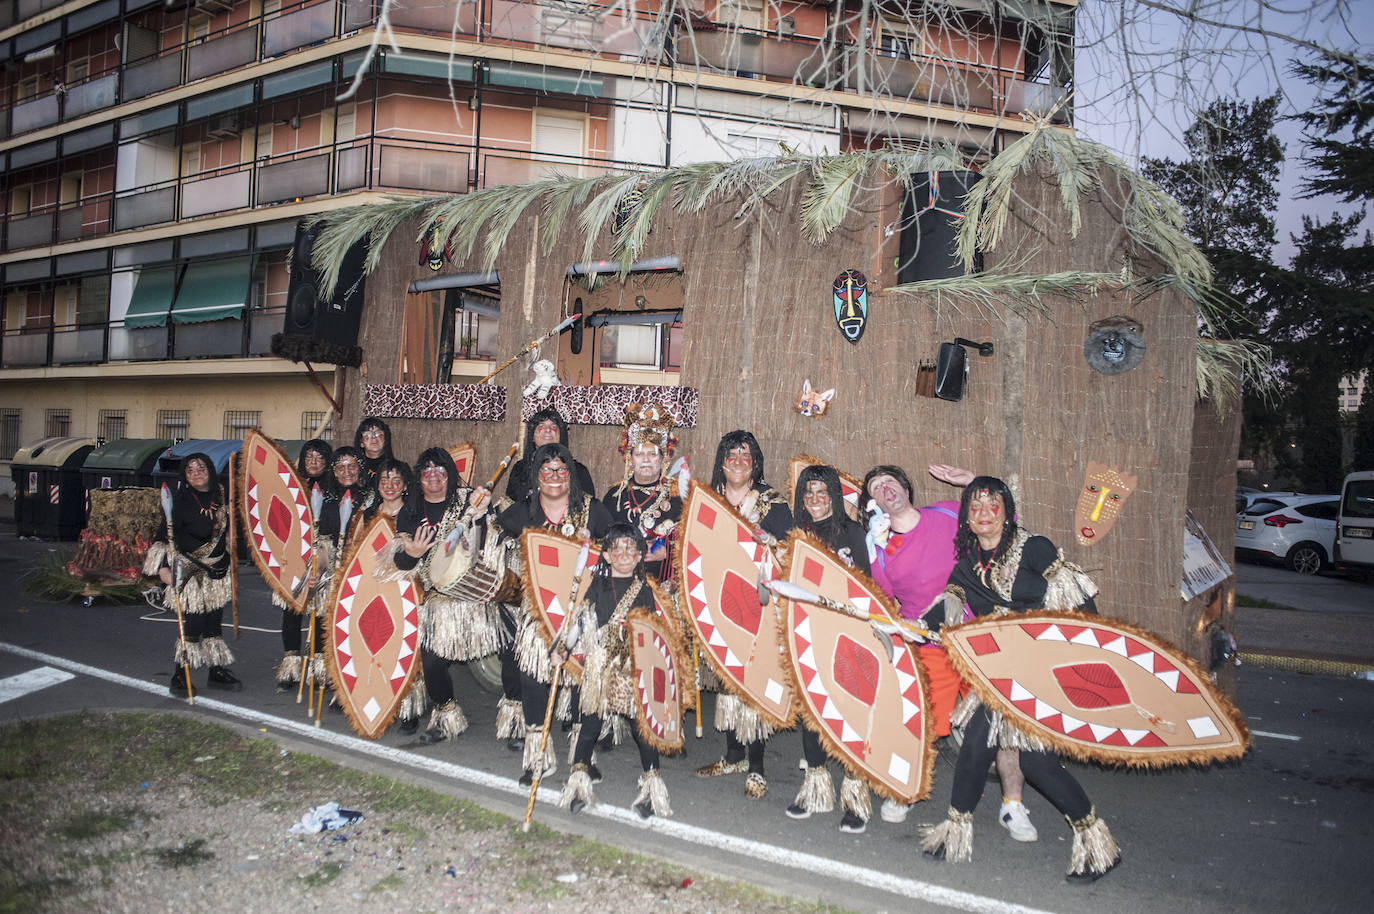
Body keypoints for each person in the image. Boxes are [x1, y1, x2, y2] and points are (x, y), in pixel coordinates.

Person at [919, 476, 1120, 882]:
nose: (984, 514)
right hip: (1002, 671)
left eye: (992, 505)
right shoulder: (969, 563)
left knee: (1013, 754)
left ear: (1007, 511)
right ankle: (959, 831)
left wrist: (1084, 659)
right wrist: (910, 627)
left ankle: (1095, 842)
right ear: (966, 519)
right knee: (997, 749)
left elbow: (1079, 597)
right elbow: (948, 607)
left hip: (1043, 665)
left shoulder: (1034, 547)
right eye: (974, 508)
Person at [862, 463, 1035, 841]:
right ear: (873, 503)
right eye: (876, 487)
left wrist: (972, 482)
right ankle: (905, 790)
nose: (885, 488)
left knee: (1005, 725)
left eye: (890, 480)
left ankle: (1013, 804)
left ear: (906, 487)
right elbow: (884, 603)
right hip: (929, 646)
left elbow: (1003, 520)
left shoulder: (946, 511)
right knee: (919, 723)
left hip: (977, 638)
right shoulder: (880, 547)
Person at [495, 442, 612, 785]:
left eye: (561, 470)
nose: (554, 476)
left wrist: (598, 548)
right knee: (533, 683)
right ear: (536, 476)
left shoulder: (592, 510)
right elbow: (494, 543)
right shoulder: (523, 512)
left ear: (571, 476)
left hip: (582, 615)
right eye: (546, 470)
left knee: (580, 686)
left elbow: (621, 546)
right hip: (539, 616)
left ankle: (581, 759)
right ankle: (538, 758)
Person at [694, 430, 793, 799]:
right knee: (728, 680)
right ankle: (733, 755)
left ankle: (757, 768)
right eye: (731, 453)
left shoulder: (773, 504)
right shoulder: (709, 501)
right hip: (720, 602)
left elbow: (789, 552)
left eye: (745, 454)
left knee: (752, 685)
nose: (738, 459)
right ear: (721, 461)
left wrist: (767, 542)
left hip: (760, 605)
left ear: (755, 463)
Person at [378, 447, 495, 742]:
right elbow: (400, 563)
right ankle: (445, 712)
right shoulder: (410, 511)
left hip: (471, 595)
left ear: (450, 476)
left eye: (440, 471)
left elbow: (485, 540)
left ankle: (518, 714)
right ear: (419, 477)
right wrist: (412, 554)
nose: (434, 477)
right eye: (427, 471)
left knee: (509, 649)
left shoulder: (465, 502)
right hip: (432, 599)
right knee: (430, 660)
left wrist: (481, 514)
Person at [557, 525, 674, 819]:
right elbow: (581, 621)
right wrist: (564, 646)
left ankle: (652, 791)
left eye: (630, 549)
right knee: (589, 726)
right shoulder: (596, 584)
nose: (623, 554)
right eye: (617, 549)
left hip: (631, 667)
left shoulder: (645, 589)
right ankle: (578, 786)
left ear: (639, 557)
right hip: (598, 667)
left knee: (641, 729)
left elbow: (653, 632)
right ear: (607, 556)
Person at [785, 464, 874, 833]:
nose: (816, 500)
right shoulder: (794, 536)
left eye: (823, 493)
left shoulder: (852, 533)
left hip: (849, 636)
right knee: (811, 712)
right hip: (806, 634)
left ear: (834, 497)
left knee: (850, 714)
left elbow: (867, 588)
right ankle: (816, 789)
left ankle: (855, 798)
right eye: (809, 493)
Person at [144, 453, 241, 695]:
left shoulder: (223, 495)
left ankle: (215, 671)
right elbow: (163, 536)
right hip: (191, 571)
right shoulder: (181, 501)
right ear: (185, 476)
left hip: (218, 571)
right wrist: (163, 569)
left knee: (213, 623)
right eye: (190, 469)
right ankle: (180, 674)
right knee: (194, 623)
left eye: (201, 467)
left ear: (210, 469)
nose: (196, 472)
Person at [602, 403, 682, 585]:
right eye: (639, 454)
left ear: (663, 459)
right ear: (630, 458)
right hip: (620, 587)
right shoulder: (614, 497)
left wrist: (668, 554)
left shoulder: (678, 498)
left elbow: (693, 548)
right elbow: (600, 546)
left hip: (665, 592)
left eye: (653, 454)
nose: (646, 459)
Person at [275, 439, 331, 691]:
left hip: (324, 555)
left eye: (320, 458)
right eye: (310, 457)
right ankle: (291, 667)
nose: (314, 462)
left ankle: (319, 670)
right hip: (294, 554)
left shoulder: (335, 488)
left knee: (319, 614)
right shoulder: (292, 488)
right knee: (292, 611)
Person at [505, 407, 594, 503]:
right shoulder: (520, 469)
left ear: (561, 435)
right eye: (541, 426)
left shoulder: (578, 471)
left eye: (553, 427)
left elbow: (587, 510)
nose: (547, 430)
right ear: (532, 437)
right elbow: (510, 509)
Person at [366, 457, 412, 523]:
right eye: (384, 481)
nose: (389, 486)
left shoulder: (413, 515)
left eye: (396, 481)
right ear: (378, 485)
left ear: (405, 486)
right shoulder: (368, 515)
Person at [354, 417, 395, 490]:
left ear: (385, 439)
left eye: (378, 432)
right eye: (368, 433)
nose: (373, 437)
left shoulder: (396, 468)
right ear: (361, 443)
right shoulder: (354, 469)